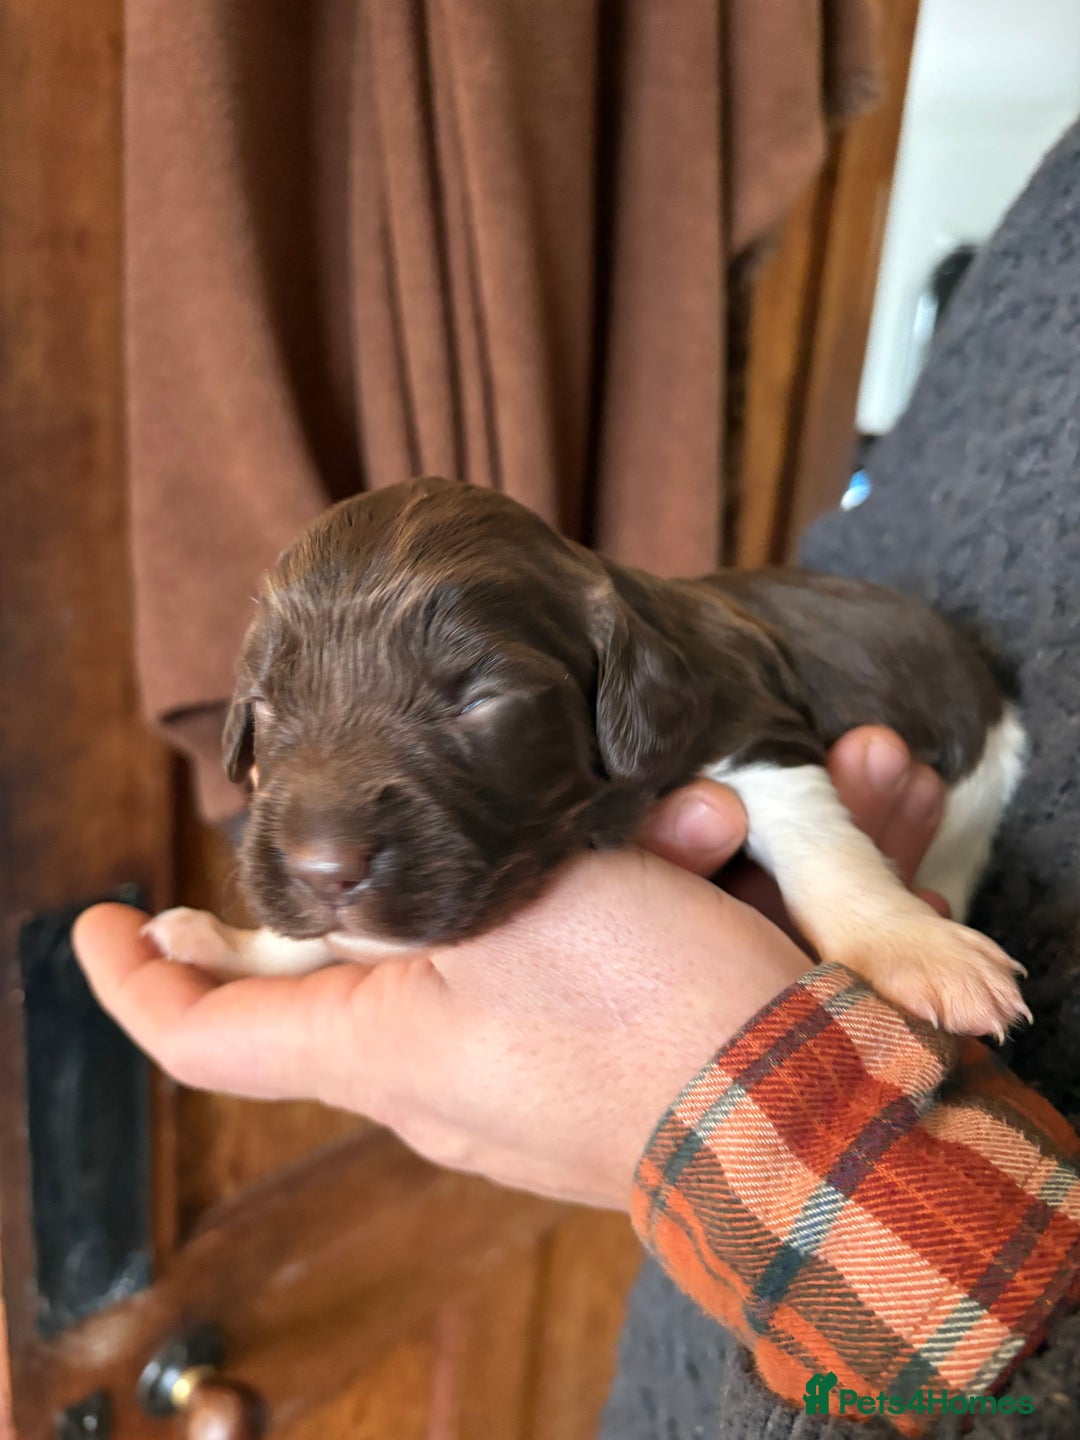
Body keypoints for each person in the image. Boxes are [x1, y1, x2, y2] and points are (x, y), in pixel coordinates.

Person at [76, 119, 1080, 1436]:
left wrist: (857, 944)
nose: (313, 825)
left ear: (618, 694)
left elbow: (774, 779)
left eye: (473, 700)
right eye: (279, 709)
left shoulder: (660, 679)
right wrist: (270, 954)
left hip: (966, 766)